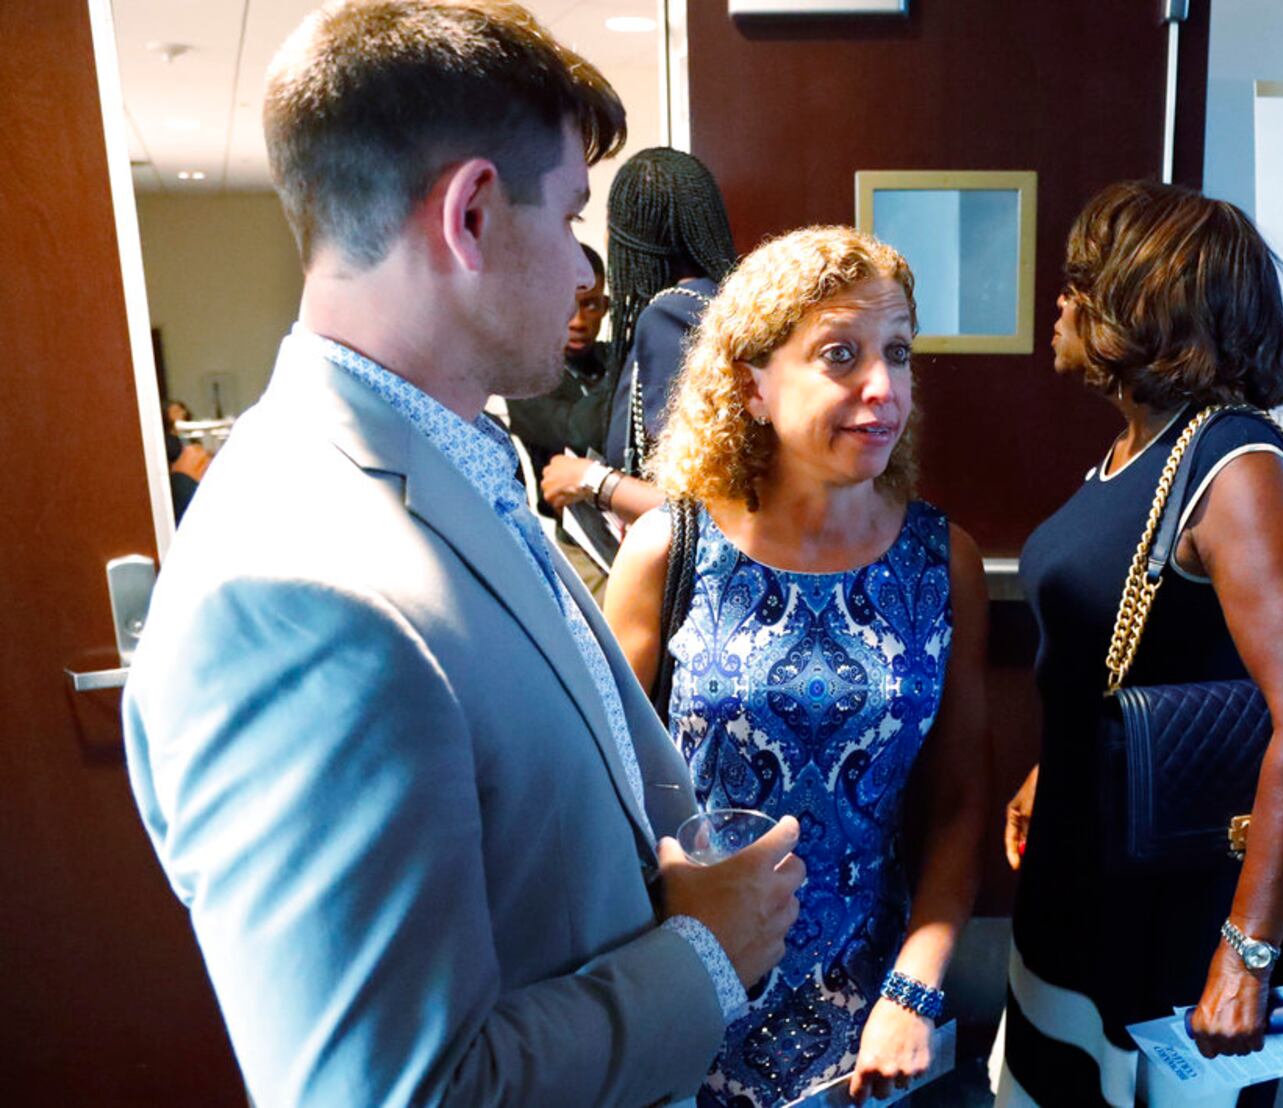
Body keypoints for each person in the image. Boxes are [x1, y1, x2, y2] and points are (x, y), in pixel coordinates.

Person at [121, 4, 803, 1105]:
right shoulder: (297, 592)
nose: (589, 269)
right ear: (474, 214)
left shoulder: (454, 455)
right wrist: (700, 960)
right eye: (573, 215)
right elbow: (397, 1089)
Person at [605, 226, 989, 1106]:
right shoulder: (672, 550)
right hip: (690, 1005)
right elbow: (605, 796)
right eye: (840, 355)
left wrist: (914, 988)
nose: (882, 388)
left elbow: (962, 800)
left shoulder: (941, 561)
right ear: (752, 384)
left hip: (875, 1027)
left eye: (897, 352)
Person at [997, 181, 1283, 1108]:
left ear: (1145, 304)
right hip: (1082, 878)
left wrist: (1246, 955)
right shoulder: (1134, 452)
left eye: (1083, 282)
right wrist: (1060, 766)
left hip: (1175, 916)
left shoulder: (1235, 464)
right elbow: (1134, 653)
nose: (1063, 301)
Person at [541, 147, 737, 525]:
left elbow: (702, 508)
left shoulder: (671, 314)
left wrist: (591, 480)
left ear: (628, 236)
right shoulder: (725, 302)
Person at [505, 242, 616, 595]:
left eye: (591, 305)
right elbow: (579, 430)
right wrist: (624, 369)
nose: (580, 322)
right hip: (580, 544)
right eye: (567, 306)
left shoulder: (609, 359)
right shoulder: (527, 375)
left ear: (606, 307)